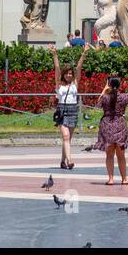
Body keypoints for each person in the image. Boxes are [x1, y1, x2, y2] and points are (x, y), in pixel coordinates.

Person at [50, 42, 89, 170]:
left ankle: (62, 161)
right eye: (66, 73)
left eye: (70, 73)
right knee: (66, 136)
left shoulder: (75, 84)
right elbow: (56, 68)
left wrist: (83, 54)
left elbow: (79, 68)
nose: (69, 75)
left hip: (73, 110)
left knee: (68, 139)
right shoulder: (59, 84)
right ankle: (70, 161)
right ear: (63, 74)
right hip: (62, 110)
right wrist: (55, 55)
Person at [95, 76, 128, 186]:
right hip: (120, 124)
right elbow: (125, 104)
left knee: (109, 155)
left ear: (109, 85)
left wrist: (104, 90)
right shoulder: (124, 97)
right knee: (121, 155)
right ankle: (124, 178)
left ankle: (111, 179)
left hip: (107, 125)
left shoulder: (105, 98)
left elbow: (97, 105)